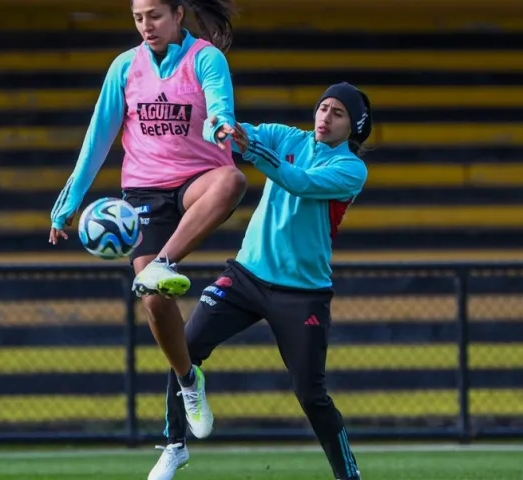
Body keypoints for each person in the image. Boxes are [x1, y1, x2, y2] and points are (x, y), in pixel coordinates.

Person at [148, 82, 372, 480]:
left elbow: (299, 181)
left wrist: (248, 147)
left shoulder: (351, 169)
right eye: (323, 108)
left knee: (311, 394)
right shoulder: (286, 136)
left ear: (353, 126)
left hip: (303, 294)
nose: (326, 117)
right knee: (185, 347)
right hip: (246, 275)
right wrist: (221, 129)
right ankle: (174, 446)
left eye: (338, 113)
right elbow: (231, 136)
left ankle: (348, 475)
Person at [48, 0, 247, 440]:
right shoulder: (124, 67)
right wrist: (67, 205)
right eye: (138, 18)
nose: (146, 26)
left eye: (154, 15)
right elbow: (97, 137)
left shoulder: (205, 58)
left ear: (178, 14)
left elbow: (219, 105)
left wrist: (221, 127)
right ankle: (188, 380)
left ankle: (166, 261)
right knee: (155, 301)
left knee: (231, 180)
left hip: (197, 177)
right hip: (144, 193)